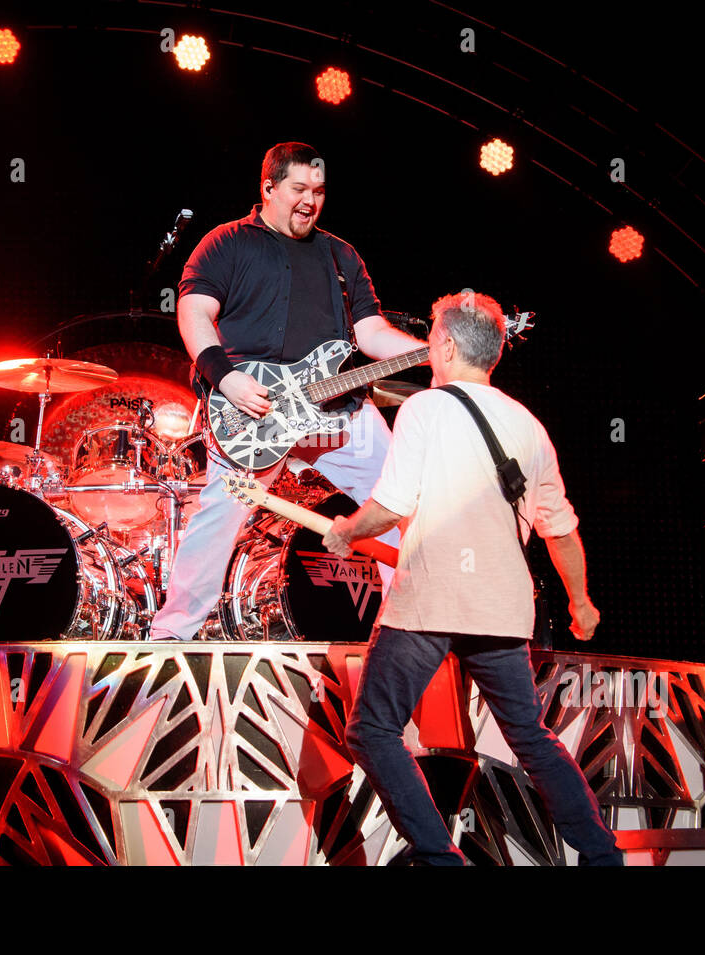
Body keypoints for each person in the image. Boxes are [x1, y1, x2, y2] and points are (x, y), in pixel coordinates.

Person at [322, 290, 623, 866]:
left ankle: (440, 857)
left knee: (373, 731)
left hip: (430, 600)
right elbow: (559, 530)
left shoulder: (424, 409)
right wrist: (581, 602)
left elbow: (390, 503)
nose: (428, 343)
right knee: (532, 738)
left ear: (449, 346)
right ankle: (602, 856)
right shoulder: (528, 424)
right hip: (501, 606)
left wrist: (346, 532)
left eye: (432, 334)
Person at [148, 142, 426, 641]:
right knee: (220, 516)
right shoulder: (226, 243)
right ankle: (169, 639)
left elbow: (369, 332)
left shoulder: (341, 255)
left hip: (336, 410)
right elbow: (193, 313)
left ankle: (403, 637)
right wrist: (224, 376)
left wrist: (430, 350)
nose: (309, 201)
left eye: (318, 191)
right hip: (254, 407)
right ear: (268, 187)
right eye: (298, 189)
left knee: (406, 505)